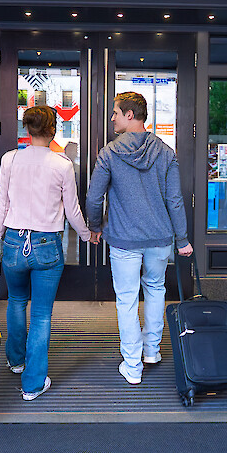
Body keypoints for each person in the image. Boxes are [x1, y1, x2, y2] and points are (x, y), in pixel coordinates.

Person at [0, 107, 96, 401]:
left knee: (17, 301)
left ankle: (16, 361)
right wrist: (87, 235)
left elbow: (1, 206)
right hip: (46, 245)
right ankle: (32, 385)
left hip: (14, 244)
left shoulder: (10, 159)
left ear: (27, 130)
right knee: (41, 314)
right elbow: (72, 210)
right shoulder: (62, 164)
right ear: (53, 130)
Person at [85, 91, 192, 386]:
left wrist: (95, 226)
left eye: (116, 113)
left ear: (130, 115)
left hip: (123, 240)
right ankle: (152, 351)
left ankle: (132, 367)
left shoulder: (108, 154)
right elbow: (175, 201)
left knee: (127, 300)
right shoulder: (166, 153)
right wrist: (181, 239)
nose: (112, 119)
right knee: (156, 289)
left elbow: (94, 197)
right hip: (160, 238)